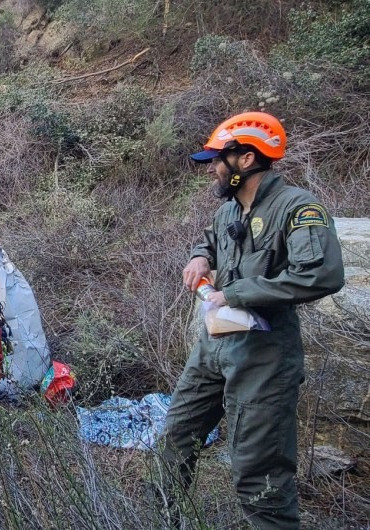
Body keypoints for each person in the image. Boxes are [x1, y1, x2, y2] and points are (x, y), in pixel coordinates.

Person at [159, 112, 345, 528]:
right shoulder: (229, 211)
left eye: (216, 160)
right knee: (173, 443)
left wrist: (237, 292)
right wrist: (200, 256)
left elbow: (322, 275)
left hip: (264, 358)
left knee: (258, 476)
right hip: (213, 347)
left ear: (246, 159)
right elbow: (211, 238)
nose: (211, 169)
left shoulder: (297, 207)